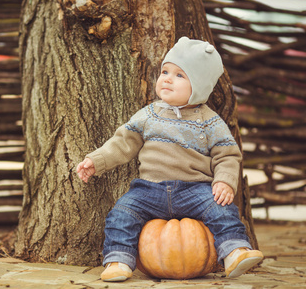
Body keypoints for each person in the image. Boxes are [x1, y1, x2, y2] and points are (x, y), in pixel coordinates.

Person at [76, 37, 263, 282]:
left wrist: (225, 181)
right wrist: (97, 161)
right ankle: (118, 260)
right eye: (165, 71)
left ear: (198, 86)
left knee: (222, 209)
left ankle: (235, 251)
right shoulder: (149, 114)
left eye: (179, 75)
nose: (166, 78)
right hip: (148, 189)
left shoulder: (209, 121)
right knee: (121, 213)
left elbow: (226, 153)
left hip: (195, 190)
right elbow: (122, 143)